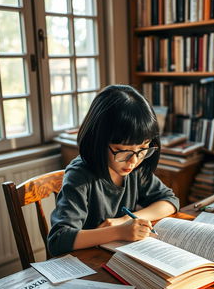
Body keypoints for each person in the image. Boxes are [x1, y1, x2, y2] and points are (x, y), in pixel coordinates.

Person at [48, 84, 179, 256]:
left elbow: (170, 201)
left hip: (117, 256)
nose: (133, 161)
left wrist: (126, 219)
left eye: (143, 148)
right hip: (85, 266)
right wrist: (118, 231)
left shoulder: (135, 170)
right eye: (122, 151)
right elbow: (58, 241)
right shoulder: (79, 176)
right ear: (98, 141)